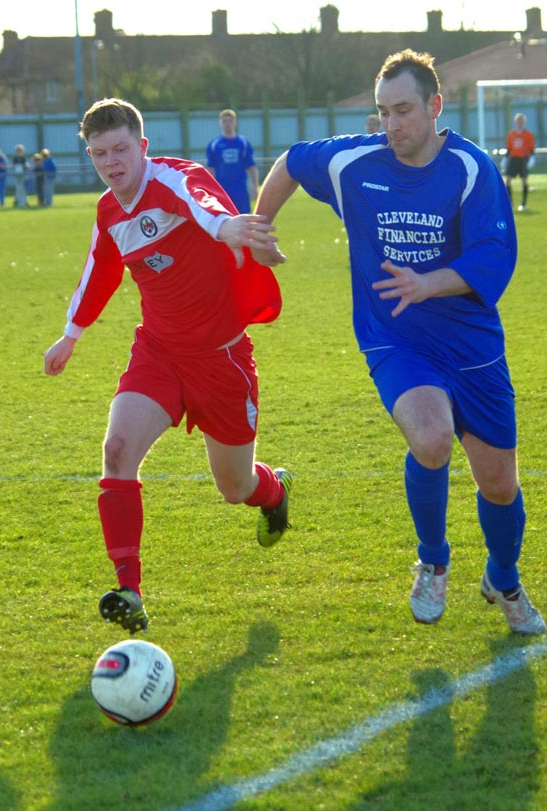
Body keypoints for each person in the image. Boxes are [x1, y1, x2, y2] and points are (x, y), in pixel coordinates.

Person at [253, 49, 544, 636]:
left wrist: (427, 283)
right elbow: (292, 161)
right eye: (384, 112)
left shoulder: (470, 168)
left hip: (473, 346)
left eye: (403, 110)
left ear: (435, 106)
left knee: (499, 483)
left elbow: (493, 254)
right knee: (431, 438)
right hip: (396, 340)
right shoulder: (355, 163)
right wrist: (260, 227)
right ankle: (433, 562)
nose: (391, 124)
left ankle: (503, 577)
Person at [44, 98, 292, 635]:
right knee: (116, 450)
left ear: (143, 147)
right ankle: (129, 590)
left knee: (235, 486)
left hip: (221, 359)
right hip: (157, 352)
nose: (112, 163)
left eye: (120, 150)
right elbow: (100, 270)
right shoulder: (109, 211)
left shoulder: (173, 180)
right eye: (99, 154)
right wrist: (70, 335)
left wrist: (226, 228)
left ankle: (274, 491)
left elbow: (201, 203)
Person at [206, 109, 258, 213]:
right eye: (224, 121)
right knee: (224, 219)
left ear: (235, 122)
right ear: (220, 123)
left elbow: (252, 166)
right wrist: (209, 189)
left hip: (240, 190)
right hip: (222, 191)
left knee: (243, 218)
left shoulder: (243, 143)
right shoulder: (214, 144)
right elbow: (210, 169)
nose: (227, 124)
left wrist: (255, 187)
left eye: (230, 120)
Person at [505, 112, 535, 212]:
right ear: (515, 121)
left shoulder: (528, 134)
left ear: (524, 122)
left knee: (524, 180)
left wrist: (532, 158)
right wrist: (505, 159)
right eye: (518, 120)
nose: (520, 122)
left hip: (523, 159)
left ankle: (523, 204)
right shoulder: (511, 134)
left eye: (521, 120)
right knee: (507, 180)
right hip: (513, 159)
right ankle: (510, 202)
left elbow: (531, 148)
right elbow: (509, 148)